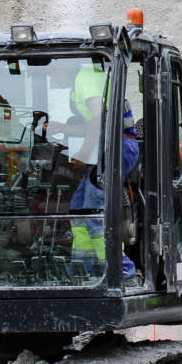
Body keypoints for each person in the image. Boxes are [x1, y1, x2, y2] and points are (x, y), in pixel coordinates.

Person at [69, 101, 141, 283]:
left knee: (95, 216)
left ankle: (124, 272)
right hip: (109, 147)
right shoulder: (89, 80)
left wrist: (83, 154)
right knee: (79, 209)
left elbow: (95, 121)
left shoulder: (88, 80)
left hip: (118, 147)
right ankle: (83, 267)